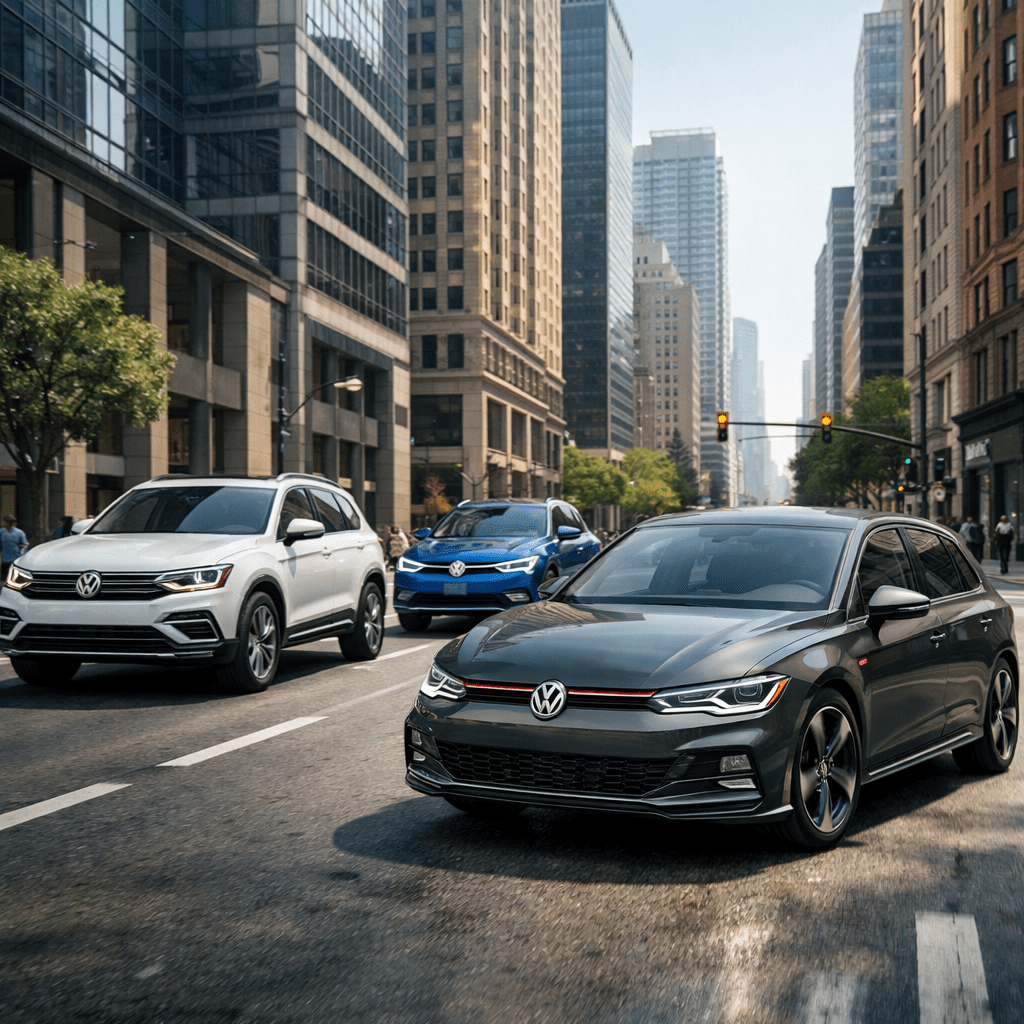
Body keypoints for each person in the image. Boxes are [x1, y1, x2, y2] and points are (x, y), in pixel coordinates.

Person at [1, 513, 29, 581]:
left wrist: (22, 555)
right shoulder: (1, 532)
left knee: (14, 579)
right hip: (5, 560)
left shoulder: (19, 532)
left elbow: (25, 545)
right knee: (3, 579)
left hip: (16, 560)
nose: (2, 523)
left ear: (8, 523)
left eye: (4, 521)